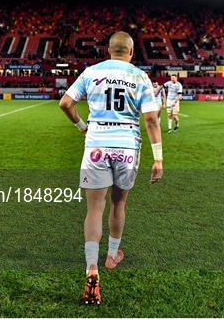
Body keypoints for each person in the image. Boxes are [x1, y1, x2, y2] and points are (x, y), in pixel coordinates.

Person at [59, 31, 163, 305]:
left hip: (96, 145)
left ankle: (91, 267)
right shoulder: (140, 76)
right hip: (127, 147)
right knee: (118, 204)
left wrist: (82, 127)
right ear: (131, 52)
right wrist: (158, 158)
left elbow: (65, 103)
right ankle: (112, 256)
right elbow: (152, 120)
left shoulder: (91, 72)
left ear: (108, 50)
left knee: (95, 209)